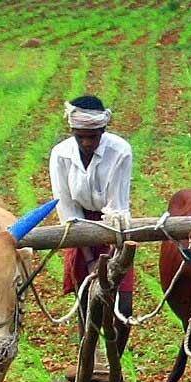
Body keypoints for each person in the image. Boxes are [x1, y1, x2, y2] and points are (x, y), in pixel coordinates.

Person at [48, 95, 134, 356]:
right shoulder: (61, 155)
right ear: (73, 132)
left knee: (124, 306)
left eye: (93, 136)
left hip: (113, 228)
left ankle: (114, 363)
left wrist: (111, 260)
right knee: (87, 300)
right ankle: (88, 360)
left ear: (103, 131)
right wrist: (89, 260)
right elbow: (67, 208)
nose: (86, 142)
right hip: (78, 228)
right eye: (80, 136)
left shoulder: (120, 151)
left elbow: (116, 207)